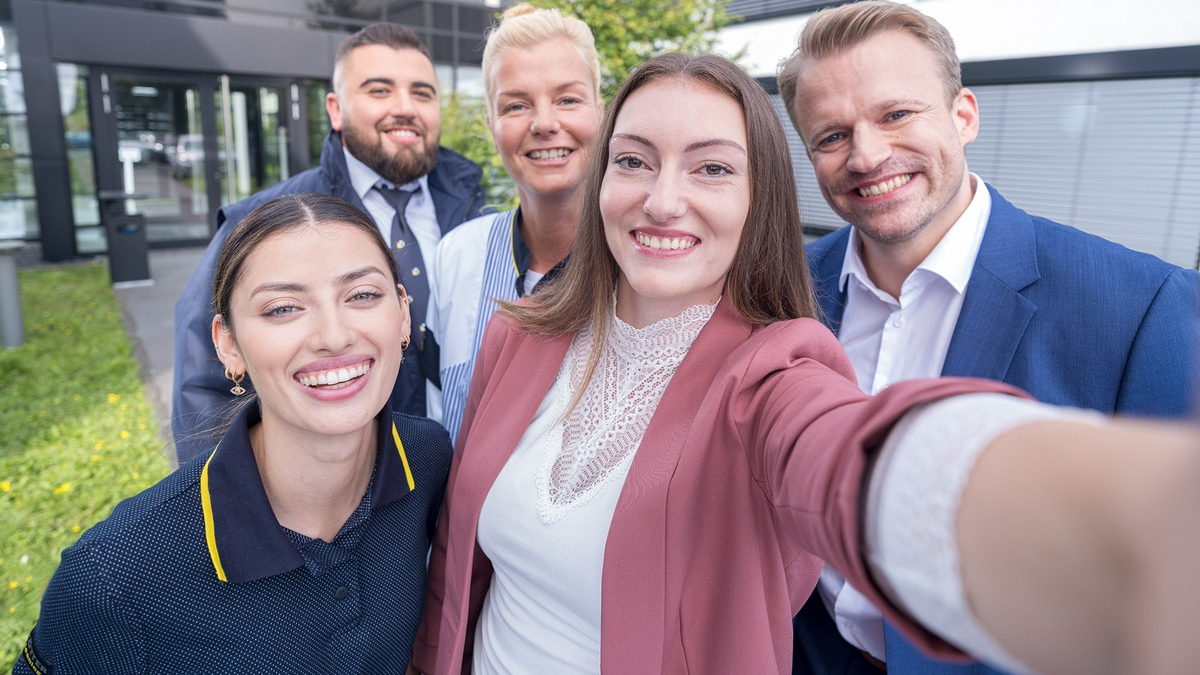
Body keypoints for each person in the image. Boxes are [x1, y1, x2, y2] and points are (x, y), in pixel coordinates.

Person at [410, 52, 1200, 675]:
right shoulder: (523, 332)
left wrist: (1112, 535)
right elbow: (457, 565)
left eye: (712, 167)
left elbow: (840, 455)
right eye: (635, 160)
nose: (662, 199)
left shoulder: (770, 367)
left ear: (759, 202)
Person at [774, 3, 1200, 673]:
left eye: (896, 114)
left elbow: (1170, 571)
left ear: (964, 114)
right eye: (832, 135)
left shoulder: (1142, 305)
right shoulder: (786, 292)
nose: (867, 154)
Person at [15, 193, 451, 674]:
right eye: (283, 308)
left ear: (403, 314)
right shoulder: (114, 576)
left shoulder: (428, 460)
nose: (334, 334)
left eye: (363, 295)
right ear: (228, 345)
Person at [172, 22, 487, 463]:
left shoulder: (479, 214)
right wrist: (242, 511)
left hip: (455, 477)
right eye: (379, 91)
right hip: (334, 494)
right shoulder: (258, 225)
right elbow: (203, 383)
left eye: (422, 93)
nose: (405, 108)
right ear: (337, 111)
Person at [426, 3, 603, 444]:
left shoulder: (645, 263)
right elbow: (437, 416)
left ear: (601, 111)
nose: (545, 124)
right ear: (491, 125)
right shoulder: (456, 256)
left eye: (567, 99)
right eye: (517, 105)